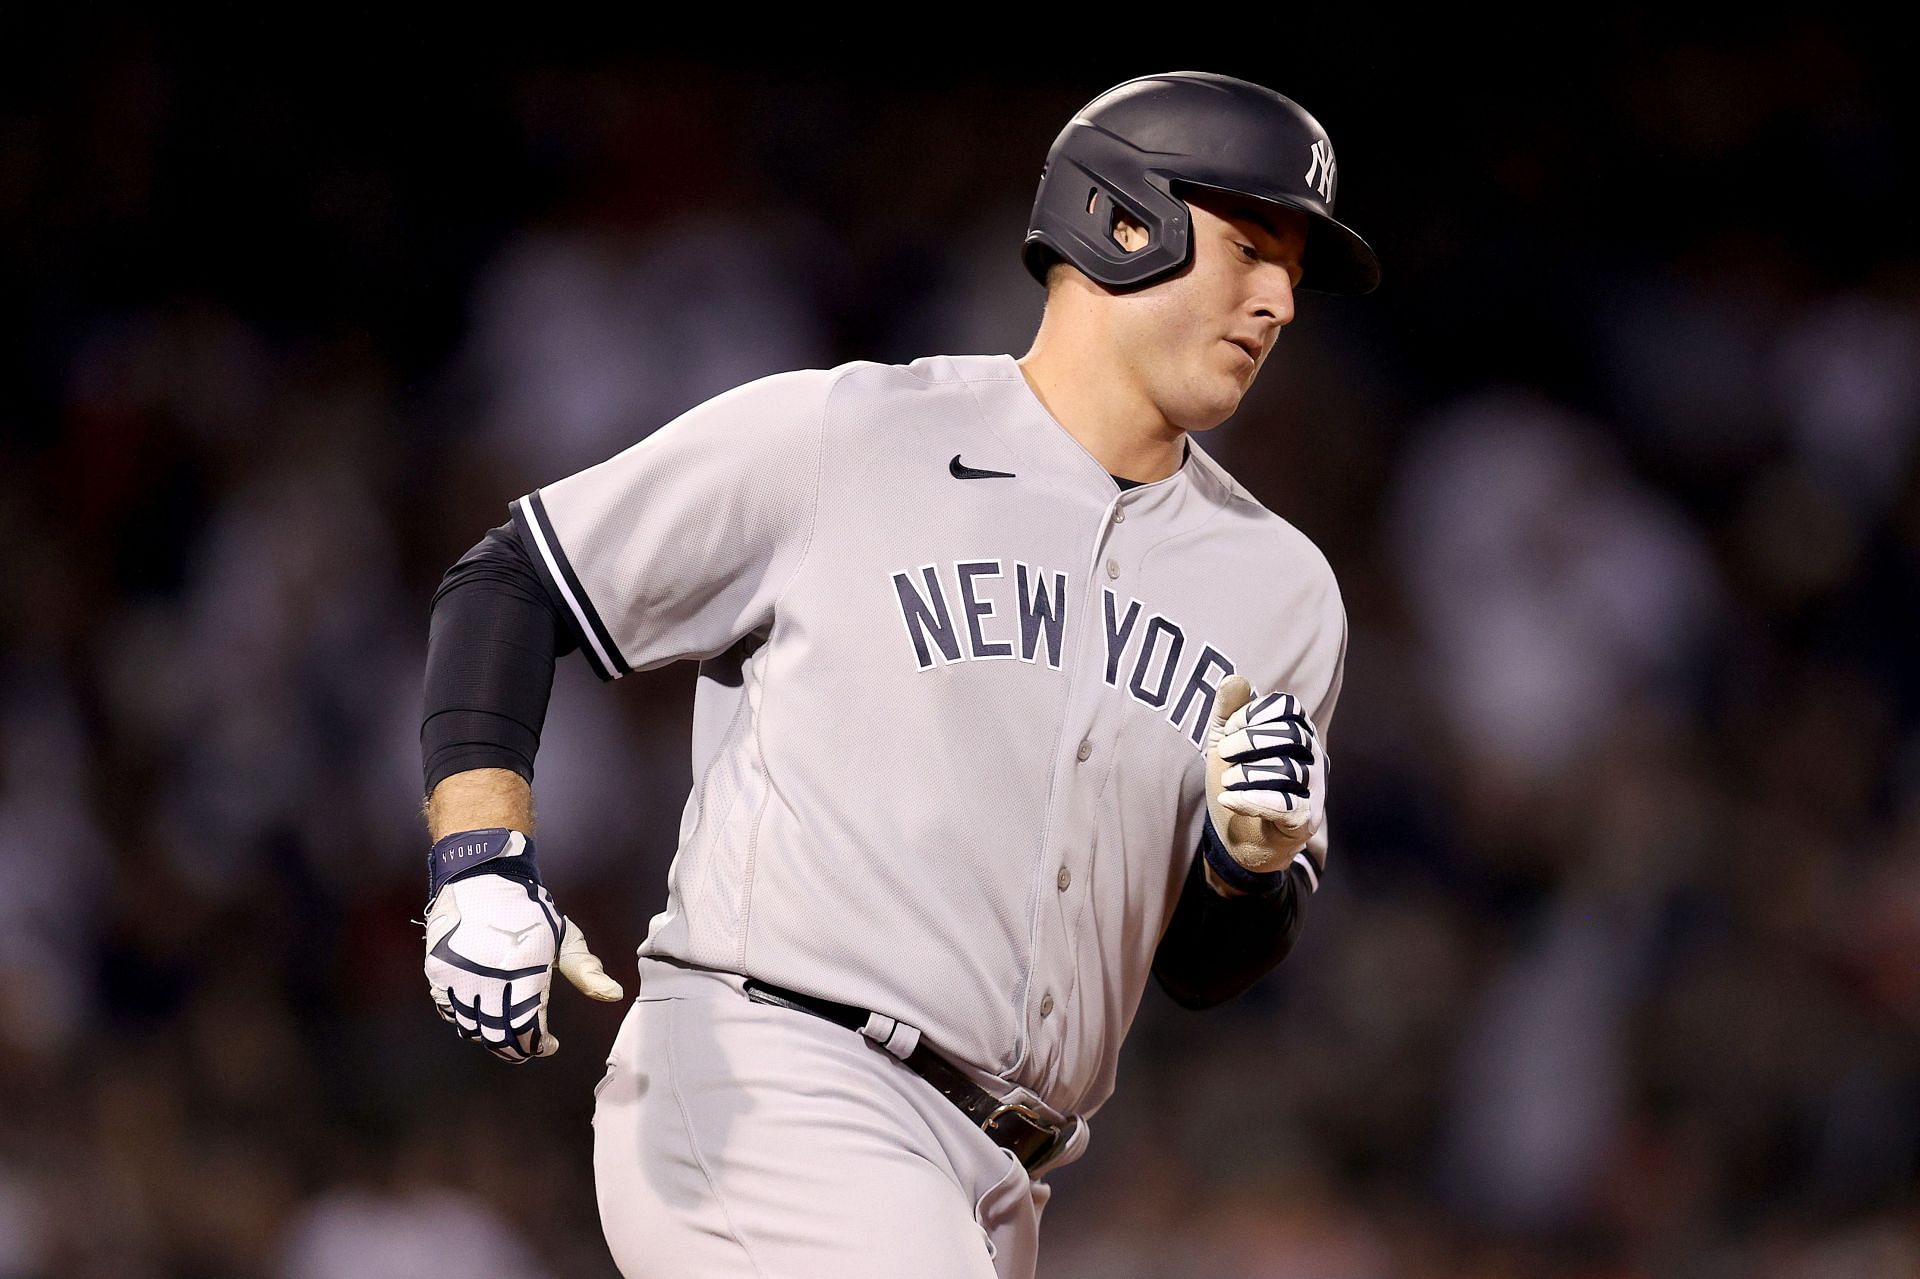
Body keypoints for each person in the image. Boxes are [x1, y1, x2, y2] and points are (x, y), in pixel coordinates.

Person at [417, 70, 1378, 1279]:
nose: (1282, 299)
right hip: (778, 1077)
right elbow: (516, 578)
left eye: (1295, 270)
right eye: (1252, 248)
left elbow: (1199, 966)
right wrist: (479, 856)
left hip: (1000, 1177)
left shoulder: (1281, 590)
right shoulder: (856, 438)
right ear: (1119, 222)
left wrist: (1243, 871)